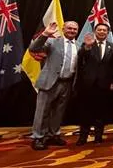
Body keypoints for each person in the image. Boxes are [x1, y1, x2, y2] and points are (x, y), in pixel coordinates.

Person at [29, 21, 79, 150]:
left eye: (74, 29)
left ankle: (53, 135)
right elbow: (34, 48)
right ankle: (38, 137)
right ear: (63, 29)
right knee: (42, 112)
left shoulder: (79, 46)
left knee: (58, 112)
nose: (72, 31)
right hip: (50, 82)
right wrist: (45, 34)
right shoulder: (52, 42)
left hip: (67, 83)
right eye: (69, 28)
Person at [75, 23, 113, 146]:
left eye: (104, 30)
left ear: (107, 32)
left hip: (104, 85)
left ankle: (98, 137)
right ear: (95, 31)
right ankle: (83, 137)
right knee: (86, 111)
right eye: (99, 30)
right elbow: (80, 57)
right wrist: (87, 48)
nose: (102, 32)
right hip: (88, 84)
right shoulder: (88, 45)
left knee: (101, 112)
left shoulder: (112, 46)